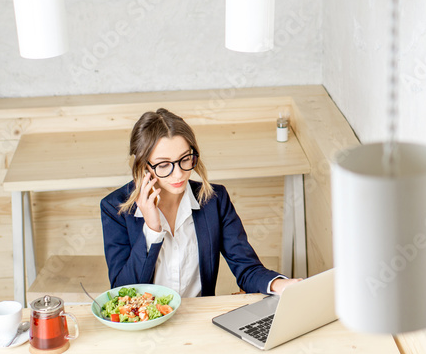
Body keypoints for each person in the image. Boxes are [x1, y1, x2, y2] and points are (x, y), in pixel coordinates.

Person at [100, 108, 301, 297]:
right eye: (163, 164)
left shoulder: (215, 200)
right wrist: (152, 230)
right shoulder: (114, 209)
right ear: (144, 166)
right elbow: (122, 294)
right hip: (145, 326)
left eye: (185, 159)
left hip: (199, 319)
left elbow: (247, 269)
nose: (178, 173)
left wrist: (280, 285)